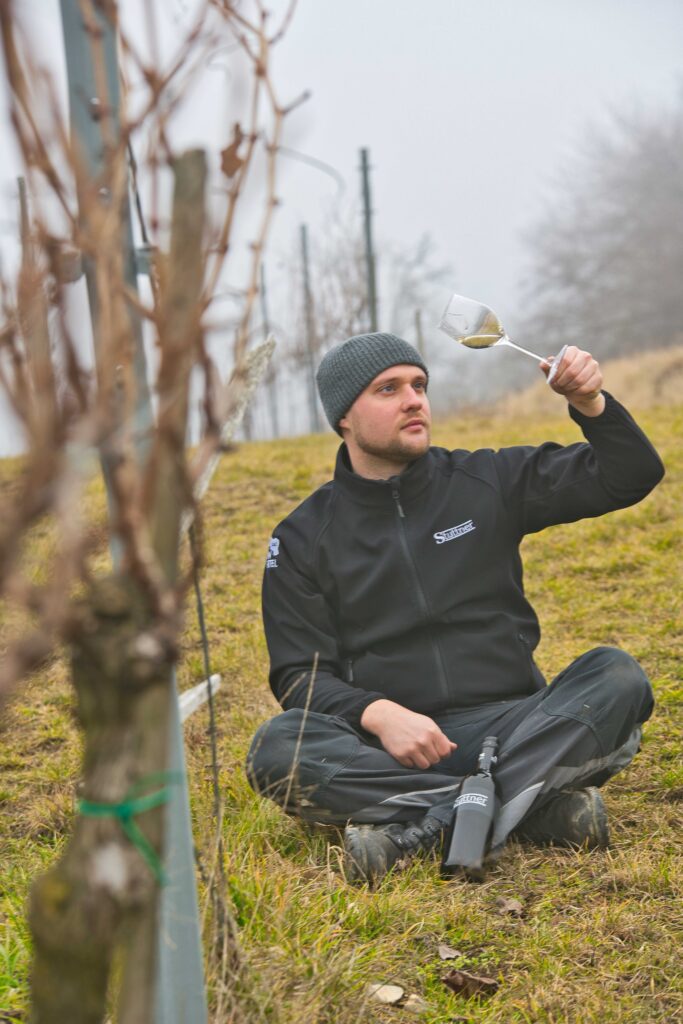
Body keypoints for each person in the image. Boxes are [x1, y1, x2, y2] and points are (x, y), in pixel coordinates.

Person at [246, 332, 664, 884]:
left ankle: (430, 822)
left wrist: (590, 404)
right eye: (388, 389)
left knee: (615, 677)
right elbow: (300, 676)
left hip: (516, 726)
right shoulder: (303, 536)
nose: (414, 399)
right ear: (344, 417)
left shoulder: (486, 480)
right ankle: (538, 809)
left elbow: (630, 474)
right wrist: (379, 714)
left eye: (419, 385)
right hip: (393, 749)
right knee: (277, 749)